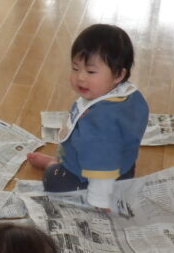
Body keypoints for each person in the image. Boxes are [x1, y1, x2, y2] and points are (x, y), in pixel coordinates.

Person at [26, 24, 149, 210]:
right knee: (81, 149)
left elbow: (102, 167)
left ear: (118, 74)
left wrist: (98, 201)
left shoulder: (100, 122)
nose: (80, 77)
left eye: (91, 72)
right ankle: (59, 160)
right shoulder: (128, 95)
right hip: (124, 169)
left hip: (95, 177)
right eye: (75, 68)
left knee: (53, 180)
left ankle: (53, 164)